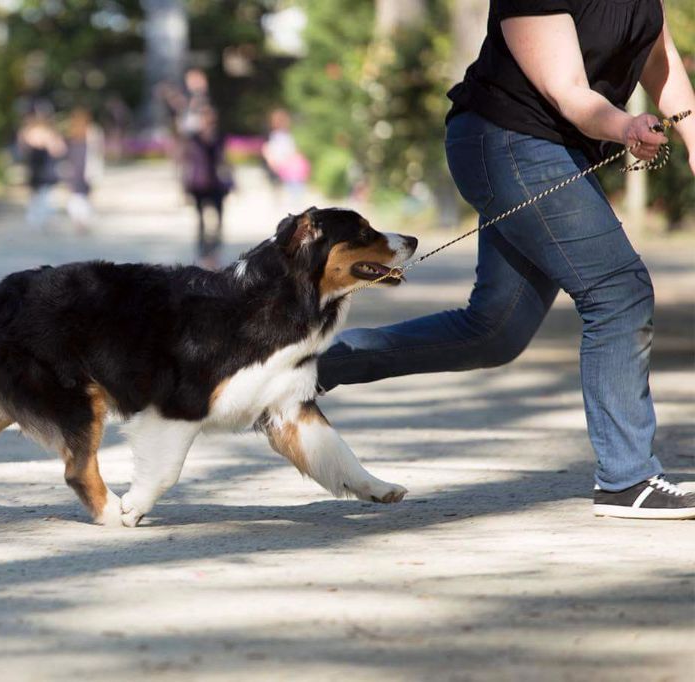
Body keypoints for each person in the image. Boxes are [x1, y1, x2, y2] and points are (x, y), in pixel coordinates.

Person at [318, 0, 695, 519]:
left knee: (494, 331)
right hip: (506, 143)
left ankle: (302, 367)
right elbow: (568, 92)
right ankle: (627, 479)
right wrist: (627, 127)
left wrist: (692, 136)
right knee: (617, 290)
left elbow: (661, 56)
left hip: (556, 153)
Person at [182, 107, 232, 268]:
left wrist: (233, 179)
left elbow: (224, 159)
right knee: (201, 220)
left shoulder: (219, 138)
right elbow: (186, 161)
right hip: (198, 184)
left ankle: (215, 250)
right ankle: (203, 252)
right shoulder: (193, 138)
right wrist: (183, 184)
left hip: (216, 183)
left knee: (218, 219)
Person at [18, 113, 65, 231]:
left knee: (40, 195)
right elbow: (59, 150)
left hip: (41, 169)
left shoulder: (31, 133)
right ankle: (41, 218)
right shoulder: (46, 133)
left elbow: (22, 148)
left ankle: (38, 218)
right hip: (41, 169)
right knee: (44, 195)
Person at [64, 108, 104, 234]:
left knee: (77, 195)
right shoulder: (87, 132)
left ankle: (80, 220)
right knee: (83, 195)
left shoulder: (80, 132)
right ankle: (82, 220)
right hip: (83, 167)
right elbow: (99, 151)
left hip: (79, 167)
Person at [261, 108, 310, 211]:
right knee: (280, 184)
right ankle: (286, 203)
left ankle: (295, 203)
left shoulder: (287, 135)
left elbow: (291, 149)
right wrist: (272, 161)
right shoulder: (273, 136)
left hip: (287, 164)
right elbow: (267, 149)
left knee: (293, 183)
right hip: (279, 163)